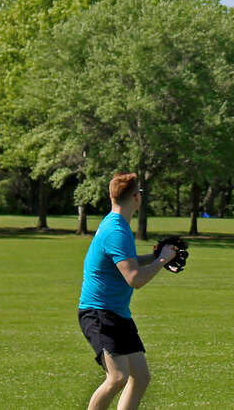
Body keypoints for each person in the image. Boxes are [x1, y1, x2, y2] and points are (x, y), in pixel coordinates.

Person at [78, 172, 180, 410]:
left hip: (116, 313)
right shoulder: (116, 231)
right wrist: (162, 261)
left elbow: (128, 262)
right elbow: (134, 278)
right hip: (99, 314)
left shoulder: (116, 224)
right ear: (136, 197)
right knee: (117, 377)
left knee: (141, 377)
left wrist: (156, 257)